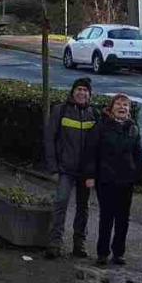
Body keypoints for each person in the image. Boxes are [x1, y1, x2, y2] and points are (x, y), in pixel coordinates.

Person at [44, 77, 100, 260]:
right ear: (73, 91)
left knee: (83, 208)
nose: (82, 93)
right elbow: (50, 139)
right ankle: (54, 243)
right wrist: (53, 166)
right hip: (65, 169)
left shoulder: (95, 114)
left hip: (86, 172)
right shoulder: (60, 111)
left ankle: (79, 244)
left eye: (85, 90)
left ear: (89, 94)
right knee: (60, 204)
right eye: (79, 89)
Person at [94, 94, 142, 266]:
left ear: (129, 110)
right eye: (118, 104)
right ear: (111, 107)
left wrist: (140, 177)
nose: (122, 107)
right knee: (106, 217)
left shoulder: (133, 127)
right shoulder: (102, 125)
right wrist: (89, 176)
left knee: (123, 218)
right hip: (106, 178)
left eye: (126, 105)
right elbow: (92, 152)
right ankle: (102, 252)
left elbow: (138, 153)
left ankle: (118, 253)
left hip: (126, 179)